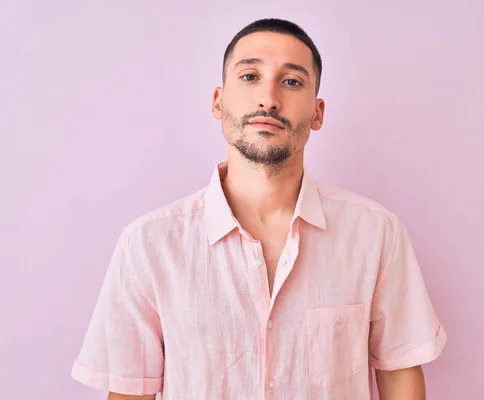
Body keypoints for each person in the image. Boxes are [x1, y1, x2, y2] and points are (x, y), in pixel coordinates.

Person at [71, 18, 447, 400]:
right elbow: (132, 393)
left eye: (291, 81)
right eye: (250, 76)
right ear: (219, 101)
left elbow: (400, 377)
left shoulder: (375, 234)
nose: (268, 98)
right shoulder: (149, 245)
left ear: (318, 113)